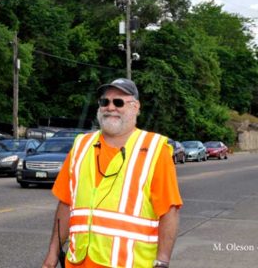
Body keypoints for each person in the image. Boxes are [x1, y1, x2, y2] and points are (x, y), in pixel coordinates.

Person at [42, 78, 183, 268]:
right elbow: (66, 204)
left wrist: (162, 262)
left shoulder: (155, 149)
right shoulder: (81, 146)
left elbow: (169, 212)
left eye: (118, 102)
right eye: (104, 102)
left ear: (136, 107)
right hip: (78, 263)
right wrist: (52, 256)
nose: (110, 107)